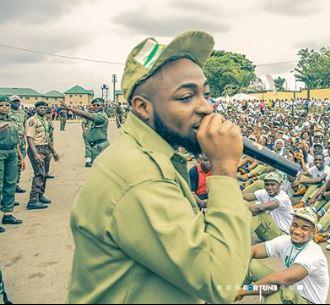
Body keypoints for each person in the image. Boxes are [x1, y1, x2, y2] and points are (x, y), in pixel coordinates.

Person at [67, 31, 252, 304]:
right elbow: (220, 280)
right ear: (142, 107)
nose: (207, 108)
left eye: (206, 94)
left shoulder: (147, 155)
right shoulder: (139, 176)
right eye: (186, 97)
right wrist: (224, 170)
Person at [235, 207, 329, 304]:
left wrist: (244, 291)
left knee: (279, 290)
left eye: (304, 228)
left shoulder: (313, 253)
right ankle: (229, 296)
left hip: (307, 301)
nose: (297, 231)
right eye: (294, 225)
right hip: (289, 289)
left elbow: (280, 280)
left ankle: (237, 292)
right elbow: (253, 251)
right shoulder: (284, 241)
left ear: (313, 232)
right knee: (250, 265)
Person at [25, 101, 59, 210]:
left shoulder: (45, 120)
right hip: (37, 149)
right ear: (35, 109)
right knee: (39, 173)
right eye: (40, 108)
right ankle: (33, 200)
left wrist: (53, 152)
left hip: (45, 149)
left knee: (44, 174)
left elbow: (47, 138)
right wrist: (35, 154)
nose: (43, 109)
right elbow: (29, 138)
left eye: (44, 108)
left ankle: (40, 195)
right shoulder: (32, 121)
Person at [243, 172, 293, 241]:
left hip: (282, 236)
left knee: (259, 212)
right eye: (267, 185)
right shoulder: (265, 192)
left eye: (272, 185)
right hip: (269, 232)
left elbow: (262, 207)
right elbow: (246, 197)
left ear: (279, 185)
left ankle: (239, 233)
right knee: (246, 204)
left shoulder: (283, 197)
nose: (269, 187)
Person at [0, 96, 25, 233]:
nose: (4, 107)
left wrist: (20, 156)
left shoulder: (12, 119)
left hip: (12, 153)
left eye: (6, 105)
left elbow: (15, 138)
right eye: (1, 105)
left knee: (10, 183)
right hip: (0, 152)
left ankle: (8, 214)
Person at [61, 98, 109, 167]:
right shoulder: (95, 113)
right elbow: (84, 122)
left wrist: (69, 108)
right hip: (94, 145)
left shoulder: (101, 116)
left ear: (103, 106)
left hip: (100, 145)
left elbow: (85, 115)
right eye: (94, 105)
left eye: (98, 105)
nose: (95, 106)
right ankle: (88, 161)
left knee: (99, 168)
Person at [8, 96, 27, 195]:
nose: (16, 103)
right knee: (11, 164)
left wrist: (26, 136)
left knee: (20, 163)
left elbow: (24, 125)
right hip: (12, 141)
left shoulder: (23, 113)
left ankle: (16, 184)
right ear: (10, 103)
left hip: (21, 141)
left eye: (18, 101)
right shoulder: (7, 112)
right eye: (14, 101)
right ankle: (10, 185)